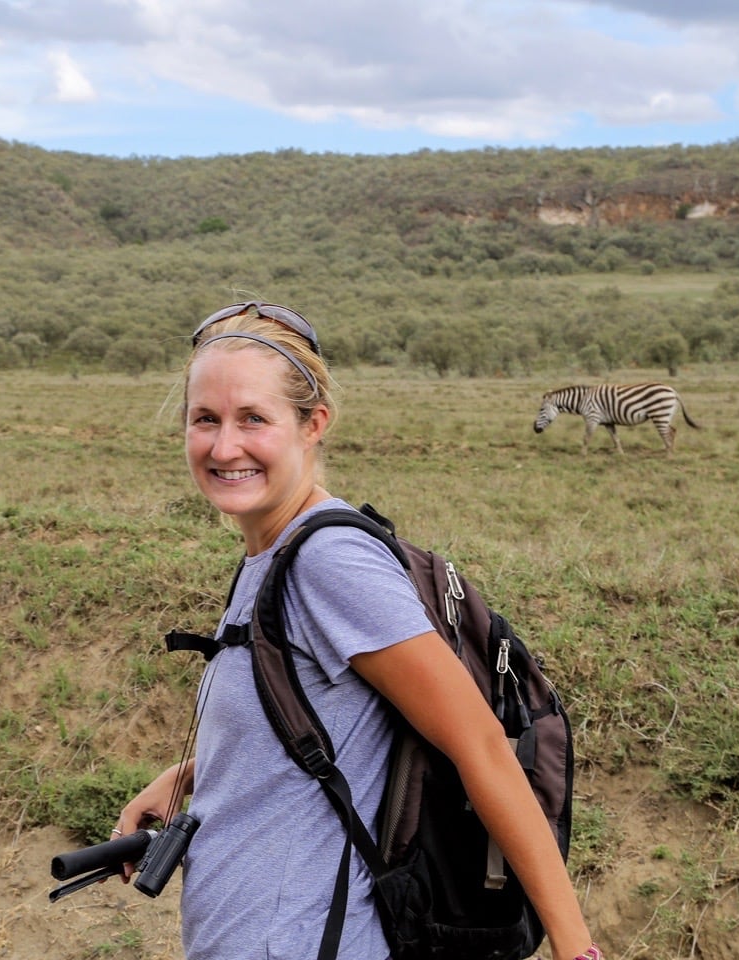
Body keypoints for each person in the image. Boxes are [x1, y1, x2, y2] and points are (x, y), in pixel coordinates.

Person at [113, 301, 601, 960]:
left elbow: (480, 744)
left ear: (314, 423)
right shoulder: (271, 550)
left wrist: (577, 948)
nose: (224, 446)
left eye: (253, 418)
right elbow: (328, 726)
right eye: (206, 419)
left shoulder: (327, 562)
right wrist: (193, 775)